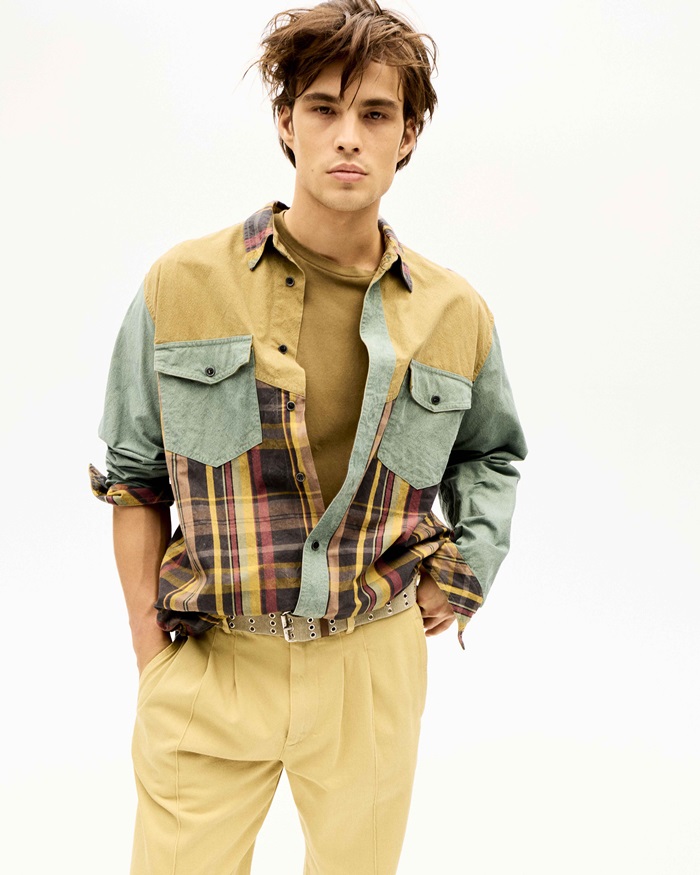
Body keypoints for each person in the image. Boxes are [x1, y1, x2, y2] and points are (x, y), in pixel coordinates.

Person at [89, 1, 527, 872]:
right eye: (324, 108)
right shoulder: (183, 283)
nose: (348, 137)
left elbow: (491, 452)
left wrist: (465, 571)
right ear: (287, 122)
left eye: (376, 113)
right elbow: (134, 473)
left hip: (372, 666)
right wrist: (150, 655)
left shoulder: (454, 313)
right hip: (213, 660)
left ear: (409, 135)